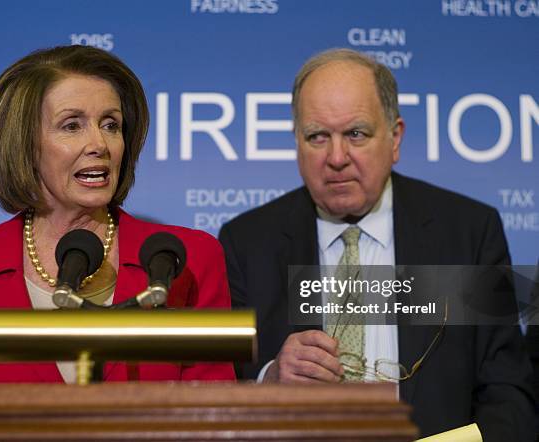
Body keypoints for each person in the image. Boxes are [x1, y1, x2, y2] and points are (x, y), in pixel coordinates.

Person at [219, 48, 535, 440]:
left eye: (356, 133)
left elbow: (508, 393)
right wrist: (270, 382)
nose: (337, 158)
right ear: (297, 141)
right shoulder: (247, 242)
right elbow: (215, 393)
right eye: (317, 136)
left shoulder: (469, 232)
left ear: (395, 137)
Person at [0, 45, 235, 383]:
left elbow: (212, 415)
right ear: (23, 144)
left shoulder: (187, 259)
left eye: (111, 125)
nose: (99, 144)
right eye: (72, 126)